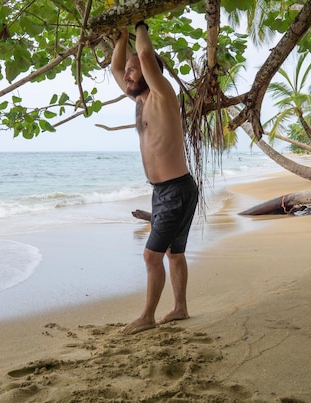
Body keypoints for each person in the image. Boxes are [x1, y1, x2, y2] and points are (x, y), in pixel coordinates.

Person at [110, 21, 199, 335]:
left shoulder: (162, 94)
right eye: (129, 71)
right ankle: (180, 308)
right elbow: (115, 67)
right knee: (175, 254)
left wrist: (139, 23)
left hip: (176, 190)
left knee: (151, 256)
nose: (128, 74)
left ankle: (147, 316)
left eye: (135, 71)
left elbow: (146, 55)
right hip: (166, 191)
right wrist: (121, 36)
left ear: (150, 74)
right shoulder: (140, 101)